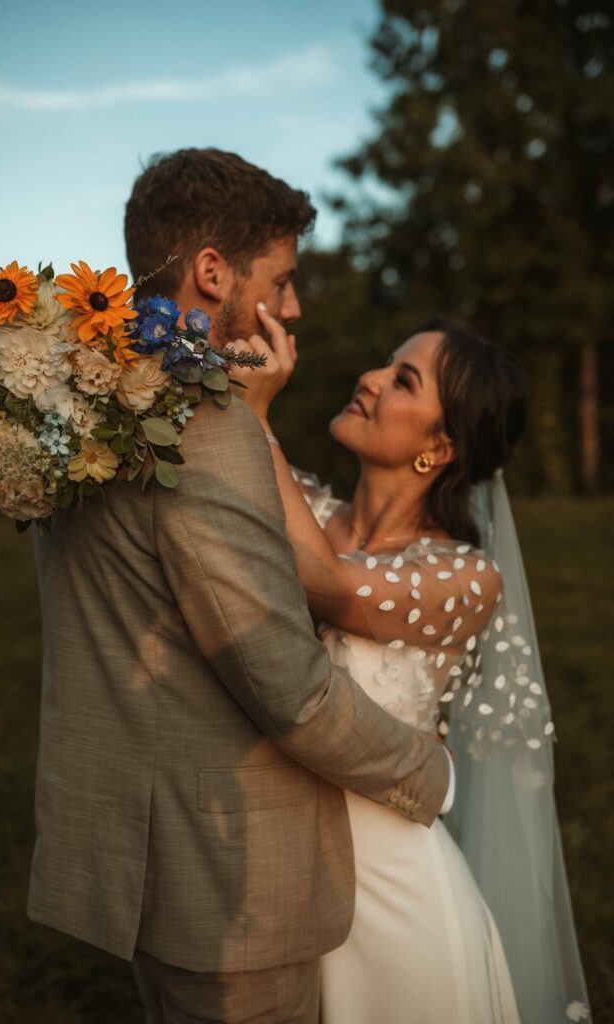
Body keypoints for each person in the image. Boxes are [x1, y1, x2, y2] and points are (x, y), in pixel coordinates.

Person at [27, 148, 453, 1024]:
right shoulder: (206, 428)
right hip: (229, 885)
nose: (294, 307)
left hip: (141, 852)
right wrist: (431, 776)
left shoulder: (80, 406)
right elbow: (286, 688)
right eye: (284, 280)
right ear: (212, 273)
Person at [232, 311, 591, 1022]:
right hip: (275, 868)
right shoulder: (301, 500)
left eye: (402, 381)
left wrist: (255, 419)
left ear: (441, 445)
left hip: (394, 890)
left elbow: (328, 585)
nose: (367, 379)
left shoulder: (465, 576)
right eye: (382, 365)